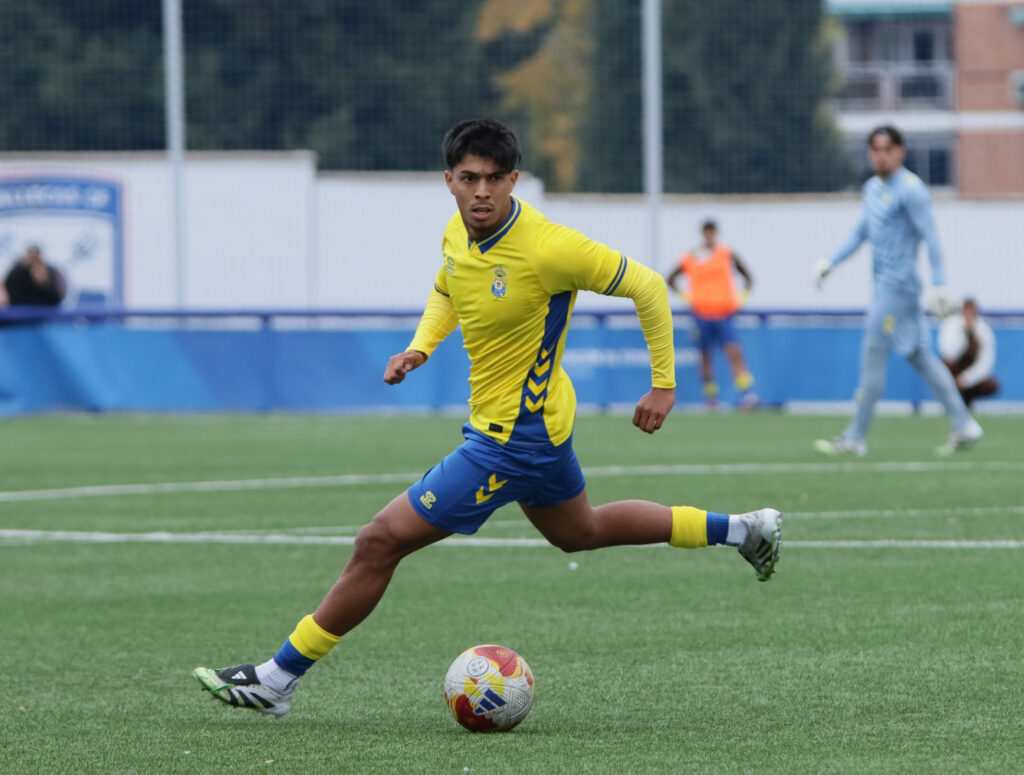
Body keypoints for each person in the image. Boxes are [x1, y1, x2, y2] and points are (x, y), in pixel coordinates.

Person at [192, 118, 783, 716]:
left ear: (513, 180)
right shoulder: (458, 232)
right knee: (580, 532)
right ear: (449, 180)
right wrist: (421, 347)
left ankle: (277, 678)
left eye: (495, 179)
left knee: (378, 541)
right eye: (470, 178)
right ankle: (743, 529)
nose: (482, 191)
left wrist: (663, 385)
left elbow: (649, 286)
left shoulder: (548, 247)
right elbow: (448, 288)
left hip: (513, 440)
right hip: (537, 428)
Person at [812, 125, 982, 458]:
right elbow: (860, 233)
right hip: (886, 288)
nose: (881, 156)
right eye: (875, 149)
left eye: (887, 149)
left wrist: (940, 282)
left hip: (897, 290)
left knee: (873, 354)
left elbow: (931, 236)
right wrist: (829, 261)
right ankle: (964, 424)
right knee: (922, 357)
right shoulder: (872, 189)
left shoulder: (911, 189)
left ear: (900, 152)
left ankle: (855, 437)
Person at [664, 220, 758, 409]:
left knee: (734, 353)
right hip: (702, 315)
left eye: (712, 232)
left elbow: (748, 277)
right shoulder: (691, 257)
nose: (709, 235)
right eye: (706, 232)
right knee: (705, 355)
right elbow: (670, 278)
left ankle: (747, 395)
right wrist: (686, 297)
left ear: (715, 233)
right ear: (702, 234)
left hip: (724, 314)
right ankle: (712, 398)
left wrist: (743, 296)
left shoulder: (726, 253)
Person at [939, 298, 999, 408]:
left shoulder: (984, 331)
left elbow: (984, 364)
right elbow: (949, 355)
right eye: (966, 311)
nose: (968, 315)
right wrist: (965, 333)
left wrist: (965, 379)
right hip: (954, 370)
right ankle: (949, 398)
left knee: (992, 385)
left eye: (971, 312)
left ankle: (967, 397)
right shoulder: (951, 325)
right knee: (944, 366)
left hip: (971, 375)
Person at [2, 244, 66, 307]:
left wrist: (44, 284)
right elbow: (9, 297)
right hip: (20, 311)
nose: (33, 258)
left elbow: (56, 299)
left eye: (36, 255)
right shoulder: (16, 273)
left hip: (44, 311)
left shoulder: (49, 272)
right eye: (31, 255)